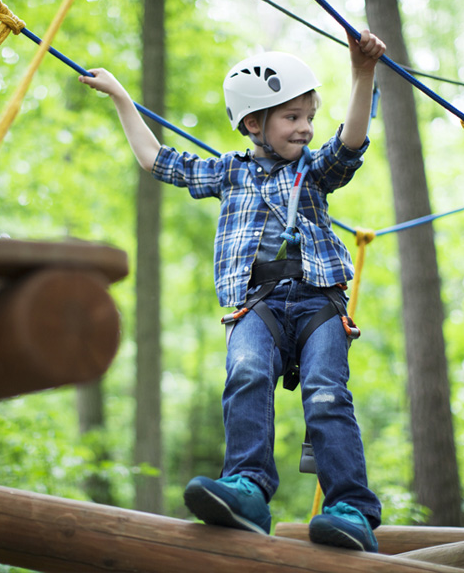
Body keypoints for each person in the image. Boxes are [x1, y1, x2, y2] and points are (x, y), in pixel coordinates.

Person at [79, 29, 386, 552]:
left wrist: (363, 73)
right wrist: (121, 97)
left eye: (309, 117)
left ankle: (351, 508)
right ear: (253, 123)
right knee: (245, 374)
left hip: (318, 301)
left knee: (326, 393)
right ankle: (247, 487)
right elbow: (156, 160)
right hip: (257, 305)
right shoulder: (228, 173)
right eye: (292, 117)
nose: (305, 127)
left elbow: (350, 143)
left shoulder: (313, 171)